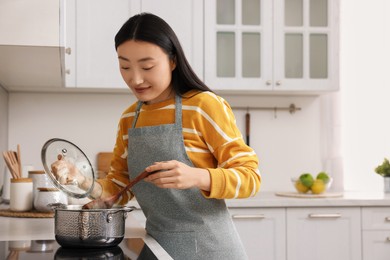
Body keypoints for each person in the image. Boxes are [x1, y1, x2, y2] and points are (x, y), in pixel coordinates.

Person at [51, 12, 261, 260]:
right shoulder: (130, 118)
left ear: (172, 61)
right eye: (125, 66)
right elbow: (119, 189)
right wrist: (82, 180)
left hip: (211, 250)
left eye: (147, 66)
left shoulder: (204, 106)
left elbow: (251, 178)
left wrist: (197, 176)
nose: (135, 78)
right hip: (156, 246)